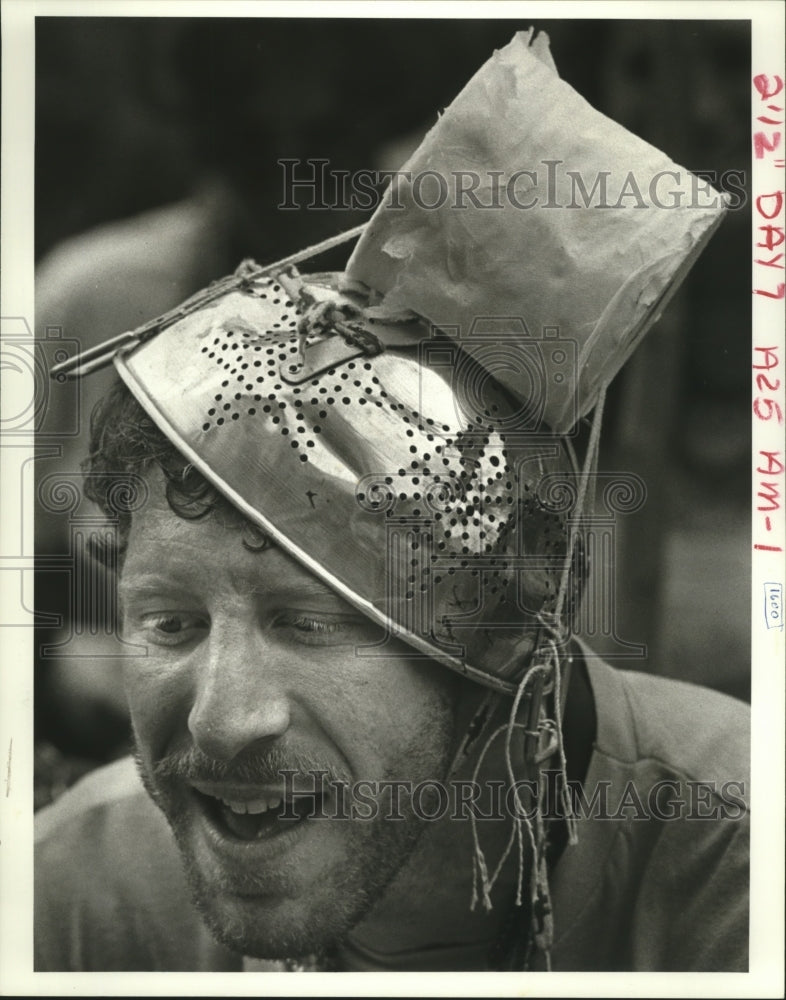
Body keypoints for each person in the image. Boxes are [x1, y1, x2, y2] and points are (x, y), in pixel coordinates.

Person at [34, 31, 749, 973]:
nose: (218, 721)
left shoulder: (737, 876)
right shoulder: (78, 897)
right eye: (169, 623)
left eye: (310, 623)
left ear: (502, 643)